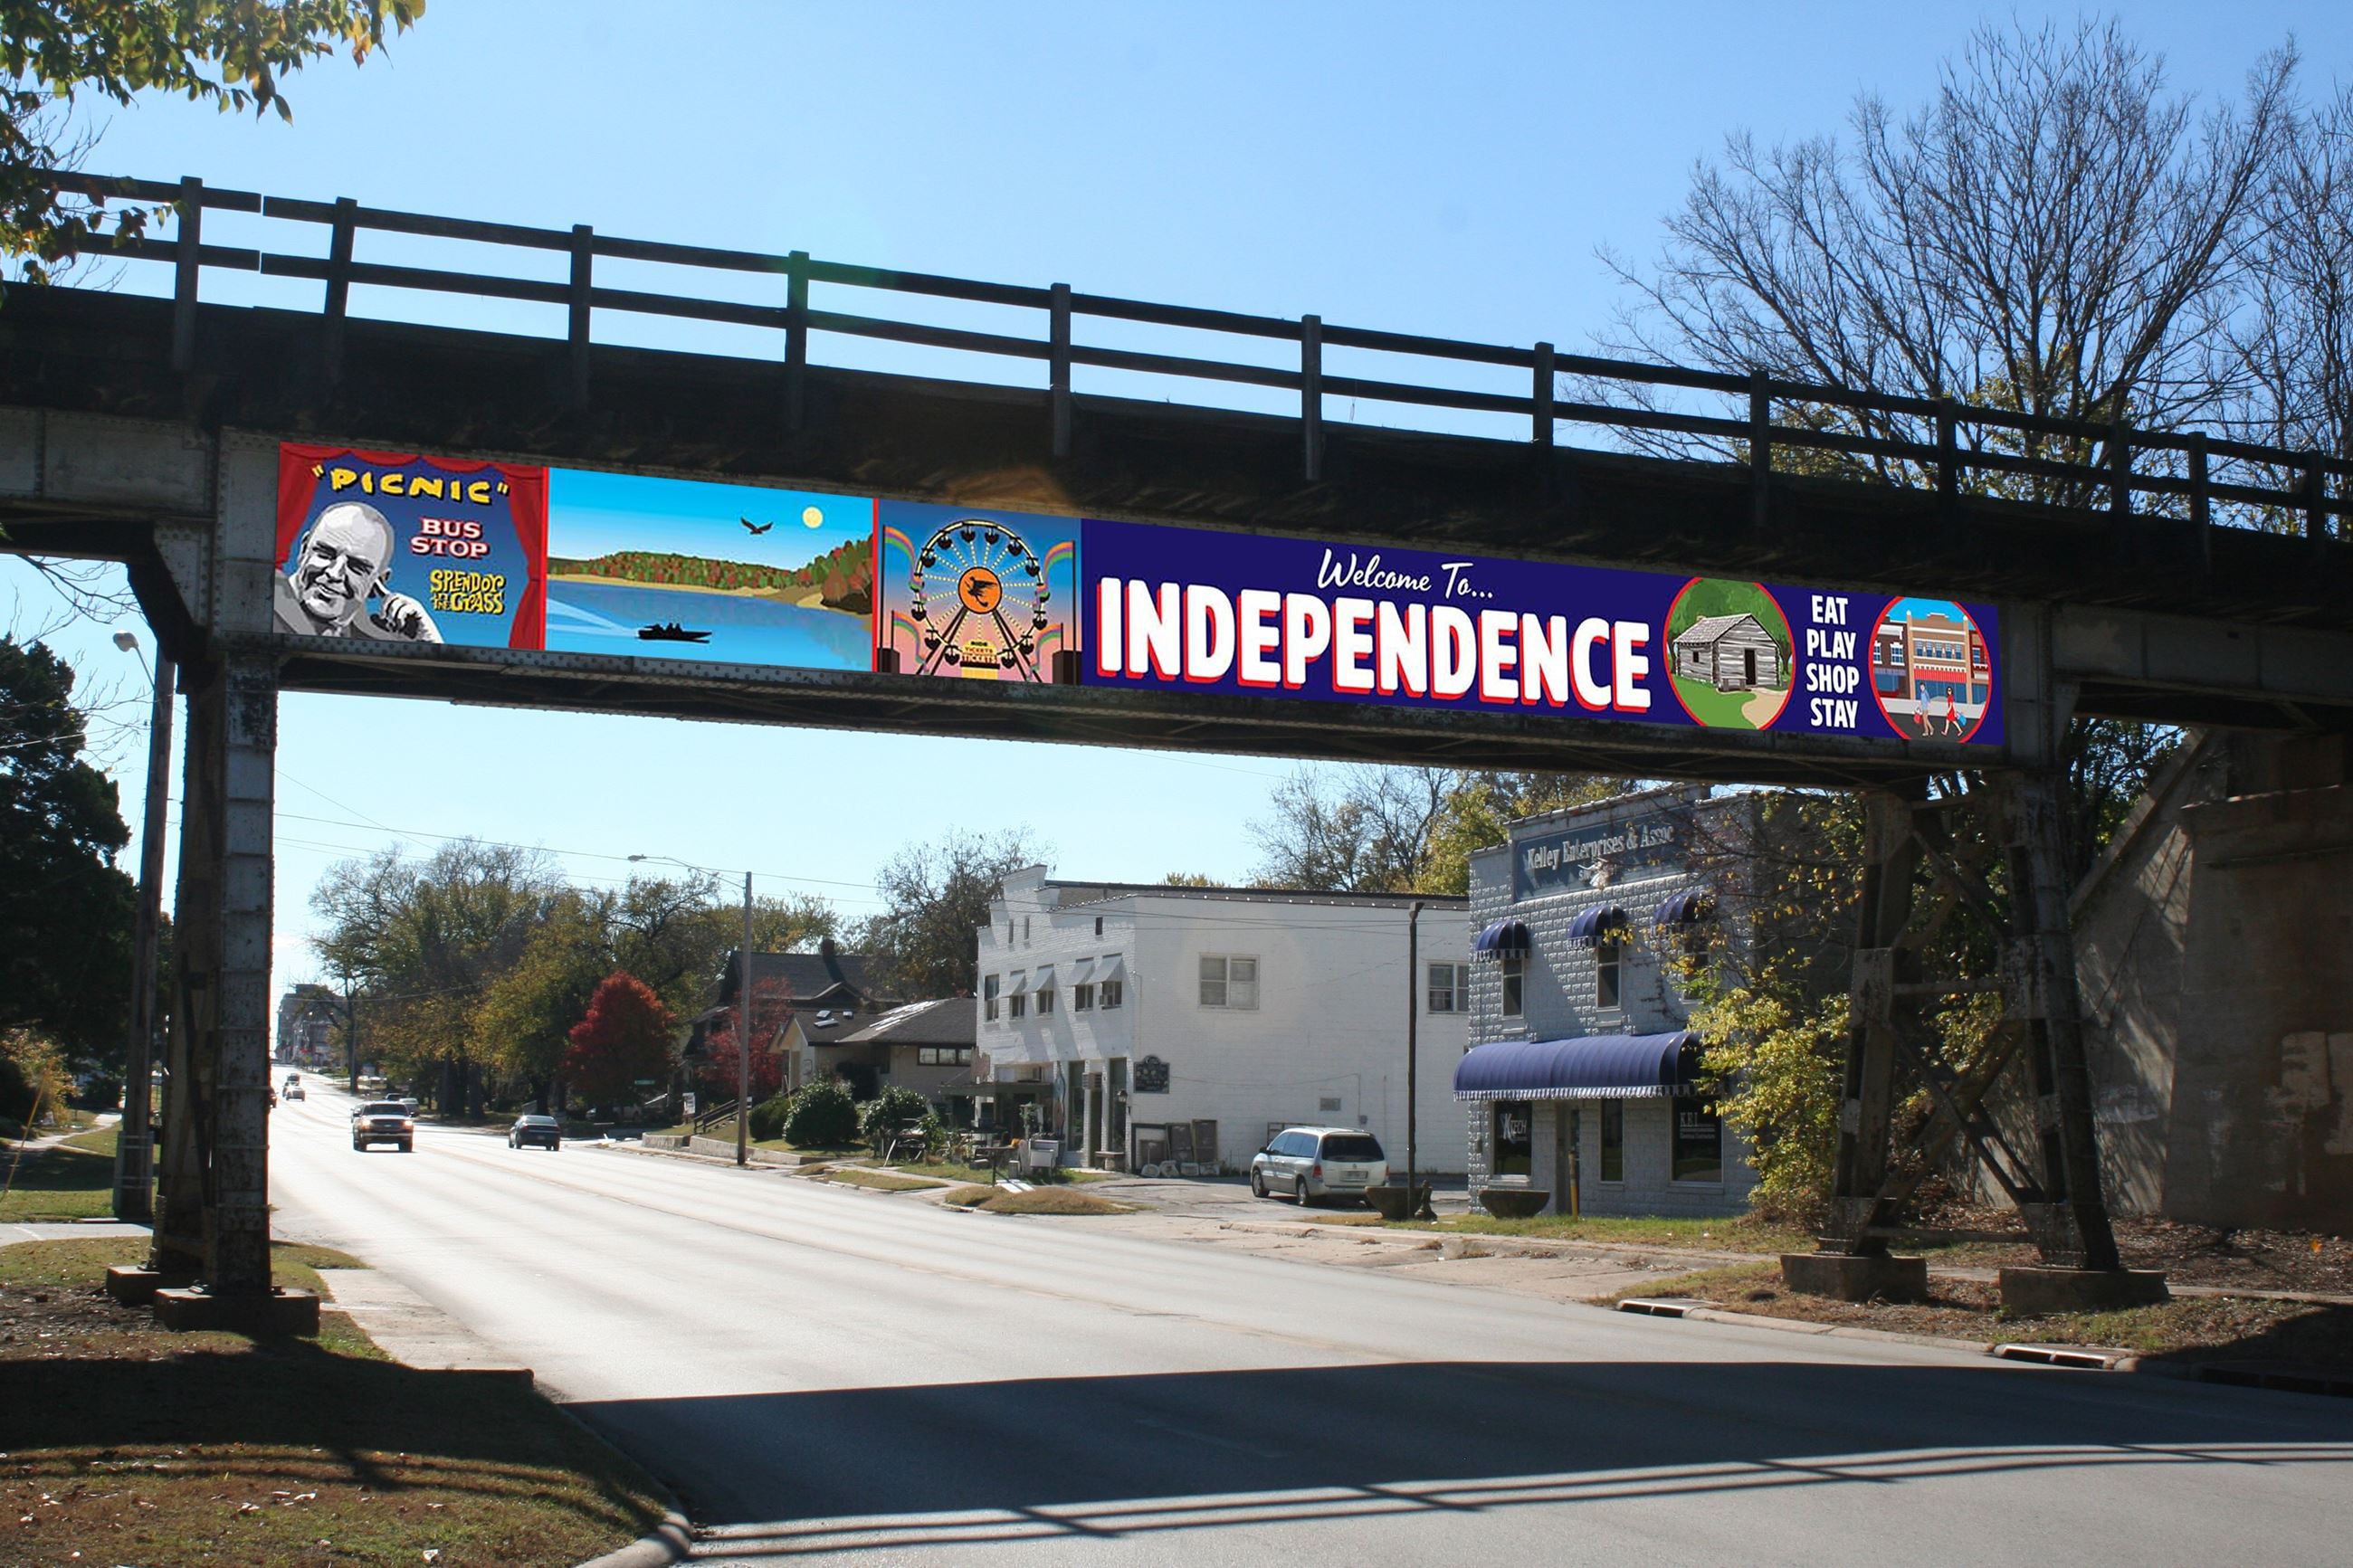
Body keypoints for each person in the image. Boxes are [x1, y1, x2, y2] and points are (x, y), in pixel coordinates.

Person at [273, 501, 443, 642]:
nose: (334, 573)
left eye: (357, 567)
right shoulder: (260, 603)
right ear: (304, 549)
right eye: (325, 553)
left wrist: (429, 643)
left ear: (379, 582)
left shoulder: (377, 641)